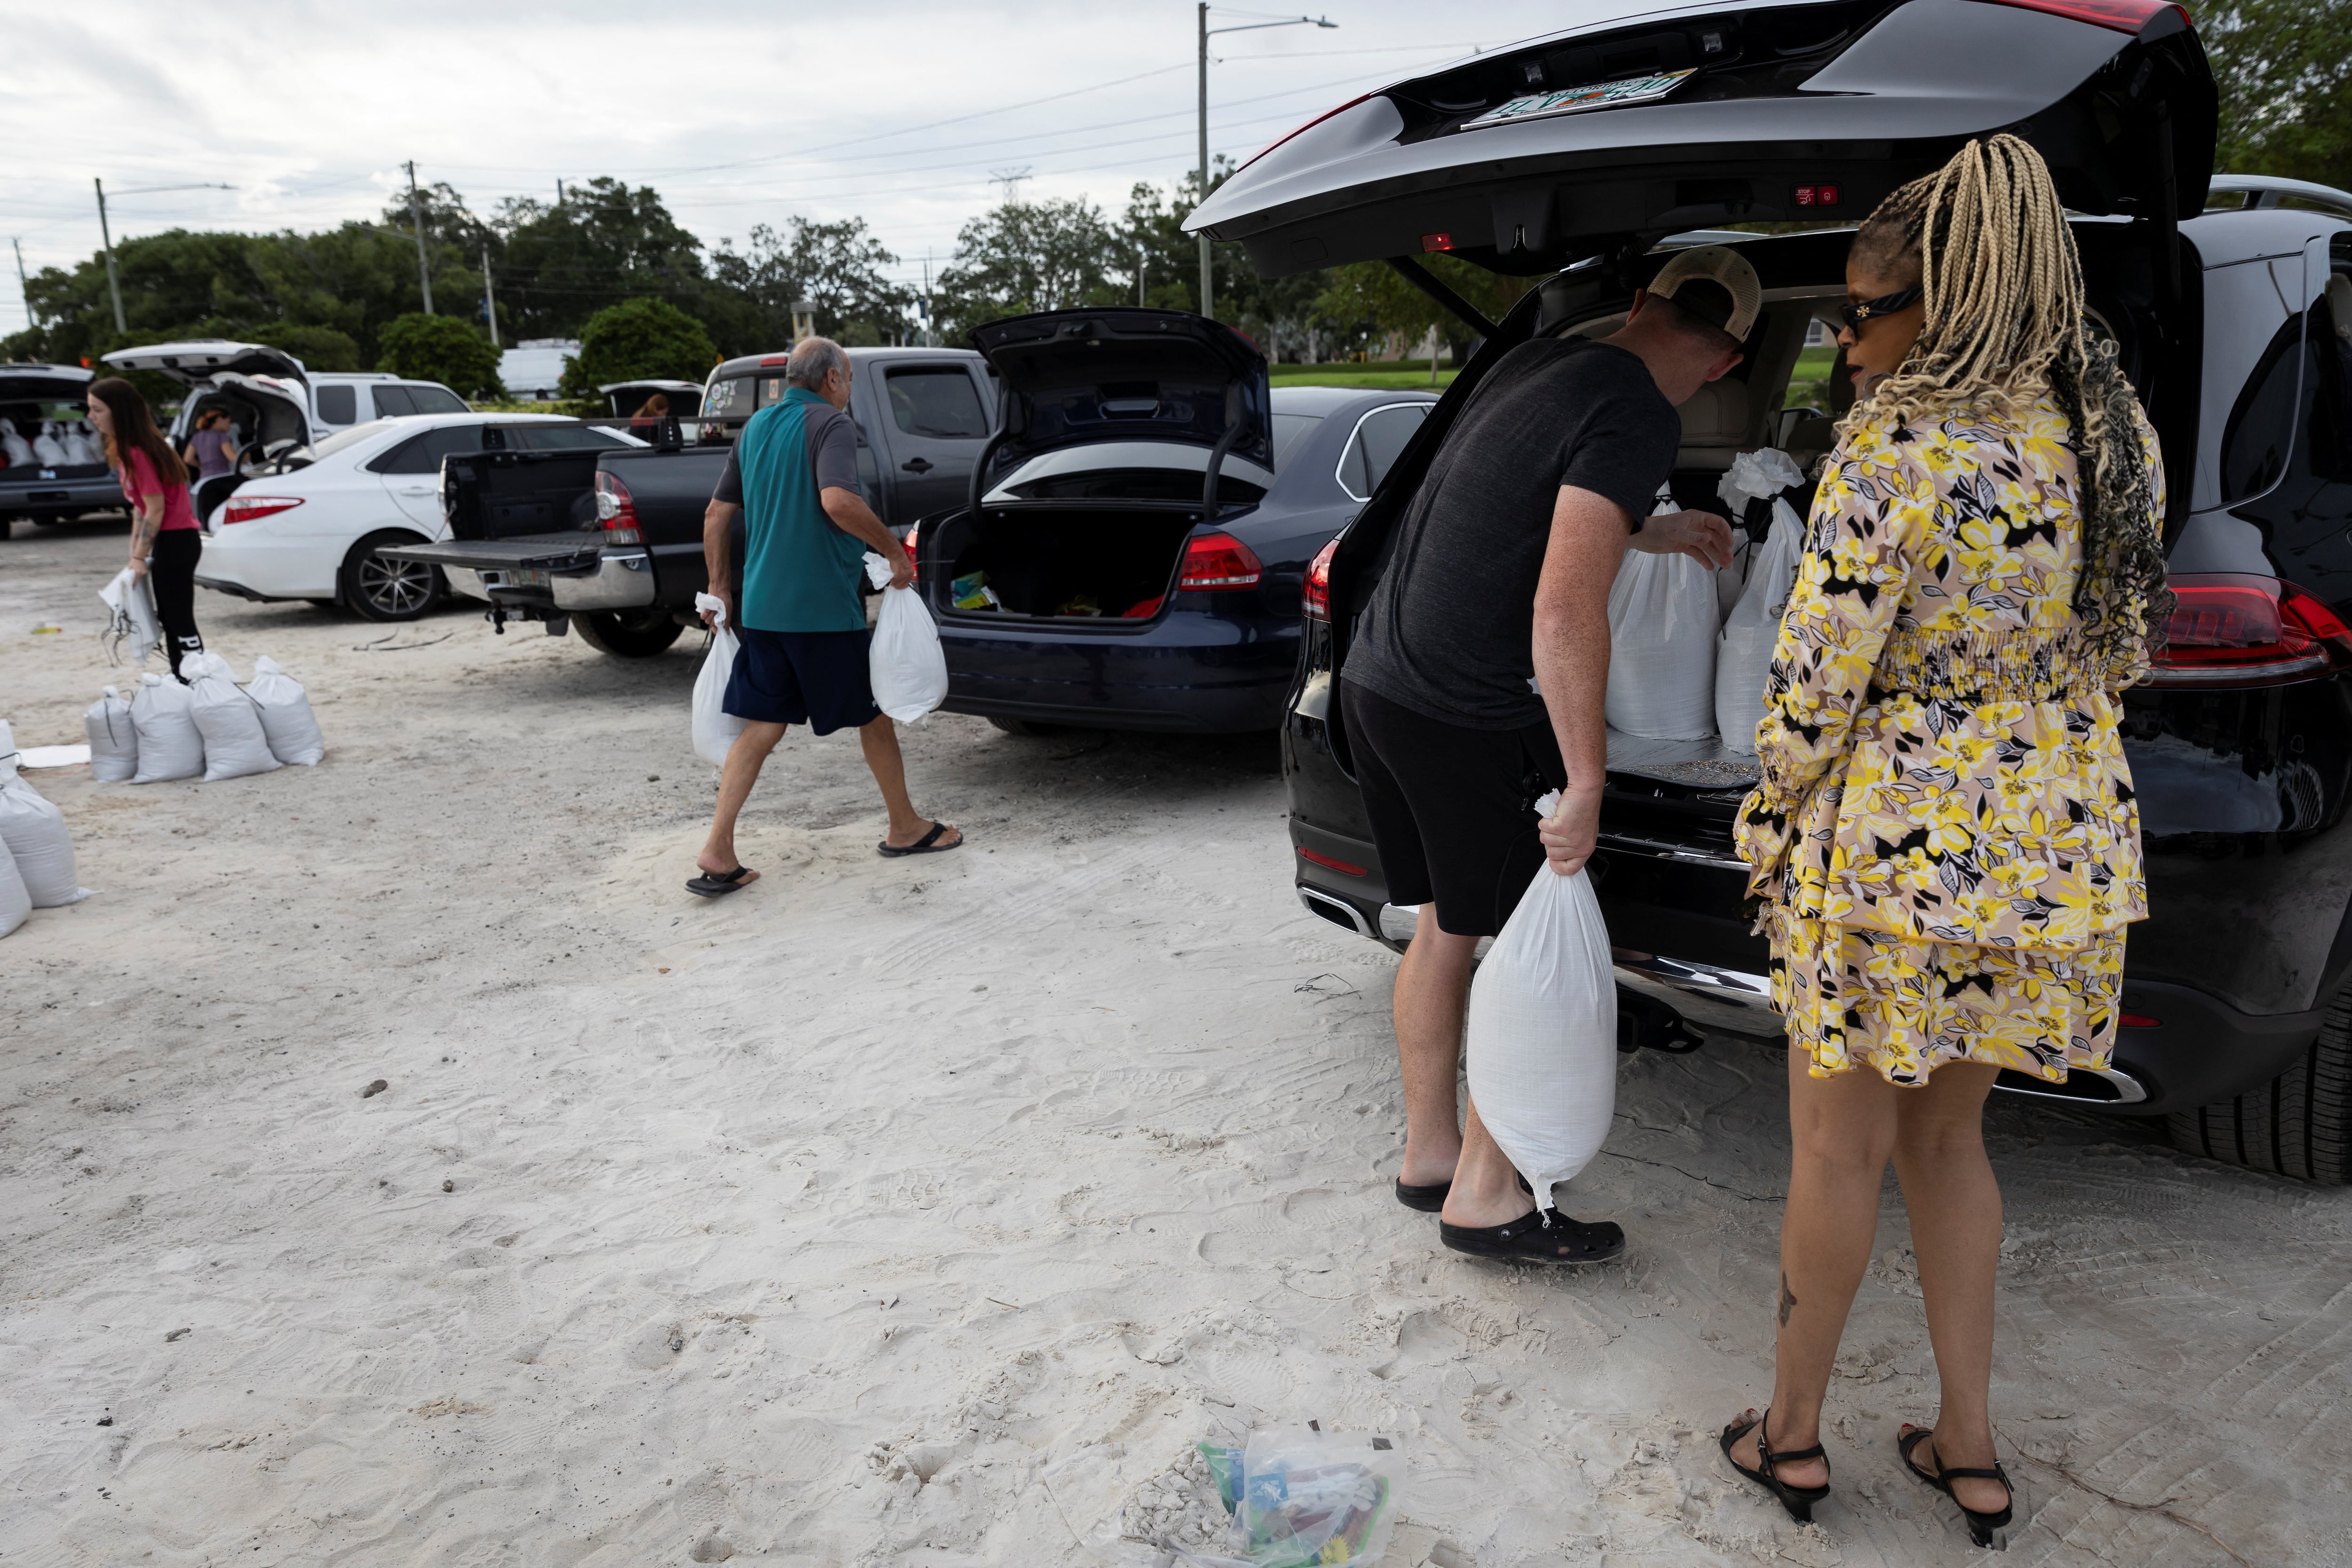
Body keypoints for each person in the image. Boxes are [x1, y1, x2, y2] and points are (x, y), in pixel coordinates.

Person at [1708, 135, 2167, 1550]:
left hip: (1898, 851)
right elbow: (2126, 649)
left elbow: (1809, 690)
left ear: (1948, 301)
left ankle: (1788, 1433)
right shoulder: (2109, 431)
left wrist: (1770, 816)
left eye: (1860, 314)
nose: (1845, 345)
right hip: (2053, 848)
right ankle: (1966, 1445)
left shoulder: (1901, 442)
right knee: (1951, 1142)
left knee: (1836, 1147)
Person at [1340, 245, 1755, 1263]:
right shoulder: (1639, 414)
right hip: (1470, 711)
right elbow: (1563, 605)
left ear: (1636, 303)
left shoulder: (1543, 362)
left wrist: (1649, 532)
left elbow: (1510, 507)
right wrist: (1585, 779)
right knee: (1524, 942)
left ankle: (1430, 1154)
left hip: (1378, 682)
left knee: (1443, 920)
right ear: (1727, 363)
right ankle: (1485, 1196)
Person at [688, 336, 962, 896]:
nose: (850, 391)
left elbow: (717, 513)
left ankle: (718, 848)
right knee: (873, 715)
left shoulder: (758, 427)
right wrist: (893, 552)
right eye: (851, 381)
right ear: (832, 379)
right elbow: (837, 501)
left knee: (762, 726)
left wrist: (721, 589)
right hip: (819, 610)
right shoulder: (830, 425)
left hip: (763, 608)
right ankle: (905, 827)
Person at [87, 377, 205, 678]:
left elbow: (156, 509)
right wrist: (134, 556)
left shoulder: (140, 452)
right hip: (168, 541)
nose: (92, 417)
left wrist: (140, 557)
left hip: (177, 540)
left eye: (97, 410)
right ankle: (184, 679)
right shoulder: (128, 450)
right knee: (168, 616)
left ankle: (197, 679)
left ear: (120, 411)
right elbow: (139, 509)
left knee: (179, 619)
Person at [181, 408, 237, 487]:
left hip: (204, 481)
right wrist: (245, 456)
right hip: (221, 479)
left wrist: (200, 465)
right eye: (228, 422)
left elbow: (188, 459)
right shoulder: (221, 436)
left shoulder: (197, 437)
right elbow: (233, 457)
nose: (229, 426)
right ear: (220, 419)